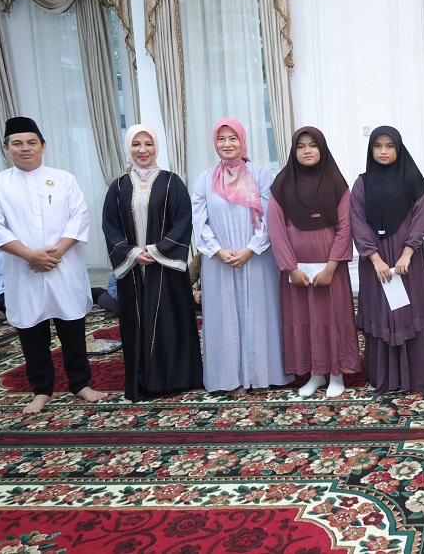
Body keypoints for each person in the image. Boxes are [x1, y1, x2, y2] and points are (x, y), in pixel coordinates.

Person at [0, 116, 104, 413]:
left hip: (64, 266)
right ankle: (42, 390)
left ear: (43, 146)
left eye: (31, 142)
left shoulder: (64, 179)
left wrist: (54, 254)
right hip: (24, 270)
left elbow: (79, 218)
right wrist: (29, 255)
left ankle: (80, 383)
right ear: (6, 148)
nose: (25, 148)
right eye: (18, 143)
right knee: (32, 332)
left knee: (72, 327)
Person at [102, 124, 203, 402]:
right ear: (128, 148)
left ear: (157, 147)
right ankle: (142, 380)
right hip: (133, 267)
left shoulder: (172, 182)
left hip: (166, 267)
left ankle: (176, 379)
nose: (142, 150)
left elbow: (183, 220)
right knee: (136, 323)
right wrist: (133, 253)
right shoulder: (118, 187)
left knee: (170, 322)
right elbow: (110, 226)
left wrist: (157, 250)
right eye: (136, 144)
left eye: (148, 144)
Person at [192, 119, 293, 397]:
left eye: (233, 138)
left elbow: (272, 217)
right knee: (224, 317)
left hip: (257, 256)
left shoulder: (260, 175)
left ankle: (262, 374)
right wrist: (217, 250)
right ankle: (230, 378)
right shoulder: (204, 179)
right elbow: (199, 221)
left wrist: (251, 248)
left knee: (259, 311)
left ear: (242, 141)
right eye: (221, 139)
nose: (227, 144)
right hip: (219, 261)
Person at [350, 126, 424, 394]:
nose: (383, 151)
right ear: (370, 149)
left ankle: (416, 374)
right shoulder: (361, 184)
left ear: (399, 149)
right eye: (378, 146)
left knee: (408, 309)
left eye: (390, 146)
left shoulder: (413, 180)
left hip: (407, 260)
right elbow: (357, 220)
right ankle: (386, 376)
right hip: (376, 261)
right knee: (382, 310)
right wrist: (375, 258)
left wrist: (407, 252)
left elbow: (421, 216)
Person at [267, 127, 359, 398]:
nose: (307, 150)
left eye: (312, 145)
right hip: (297, 270)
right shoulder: (282, 184)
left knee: (333, 318)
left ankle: (337, 374)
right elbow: (275, 228)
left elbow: (345, 226)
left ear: (322, 148)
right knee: (304, 319)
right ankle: (315, 374)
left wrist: (331, 267)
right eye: (300, 146)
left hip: (331, 269)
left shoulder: (337, 183)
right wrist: (291, 268)